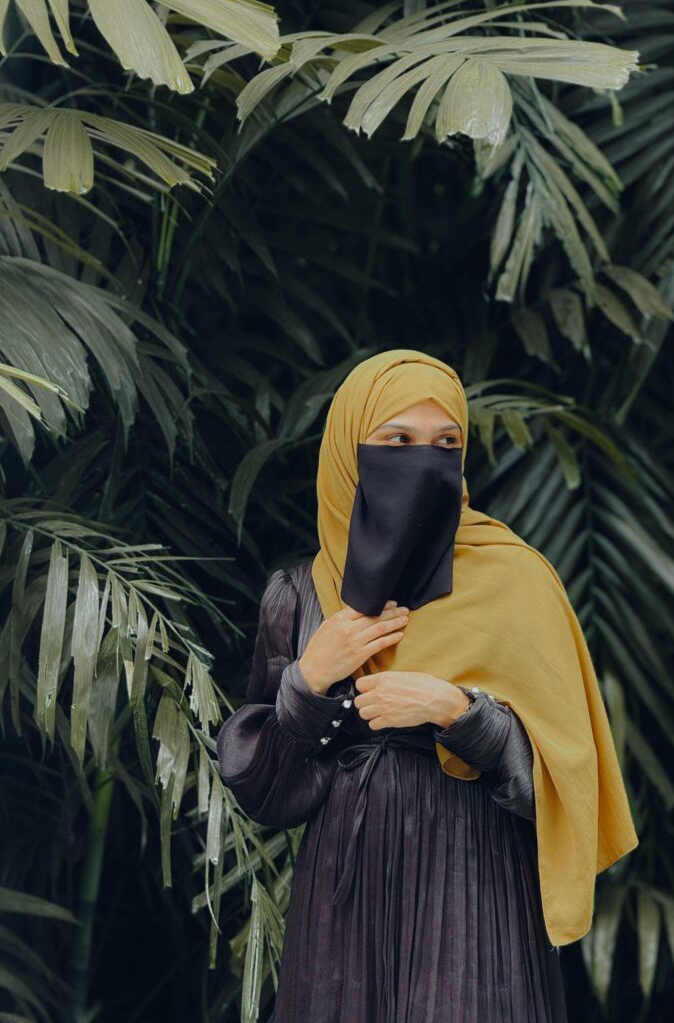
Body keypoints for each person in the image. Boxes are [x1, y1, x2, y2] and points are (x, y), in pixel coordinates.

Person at [217, 349, 639, 1022]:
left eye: (446, 443)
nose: (423, 461)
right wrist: (311, 679)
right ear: (350, 453)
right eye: (396, 442)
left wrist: (459, 712)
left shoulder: (516, 583)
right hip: (343, 908)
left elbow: (563, 793)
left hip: (473, 899)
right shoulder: (301, 598)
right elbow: (266, 792)